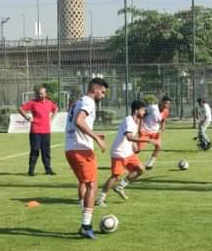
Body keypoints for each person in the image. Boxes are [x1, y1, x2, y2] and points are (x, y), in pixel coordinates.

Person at [64, 78, 108, 238]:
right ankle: (86, 225)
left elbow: (76, 122)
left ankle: (85, 220)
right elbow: (79, 121)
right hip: (82, 149)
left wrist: (94, 134)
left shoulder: (78, 101)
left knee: (84, 183)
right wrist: (96, 139)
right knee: (92, 185)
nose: (103, 96)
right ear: (95, 89)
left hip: (70, 148)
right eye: (102, 92)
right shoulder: (89, 102)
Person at [97, 100, 147, 207]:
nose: (144, 112)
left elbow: (131, 137)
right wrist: (147, 140)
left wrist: (134, 145)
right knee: (115, 176)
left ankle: (120, 186)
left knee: (141, 169)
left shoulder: (137, 121)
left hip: (128, 152)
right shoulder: (129, 120)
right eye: (143, 110)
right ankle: (100, 198)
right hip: (119, 152)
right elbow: (129, 137)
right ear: (136, 110)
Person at [20, 86, 59, 176]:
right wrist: (27, 118)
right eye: (38, 93)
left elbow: (56, 109)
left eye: (41, 93)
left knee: (46, 152)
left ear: (45, 94)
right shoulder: (32, 103)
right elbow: (20, 108)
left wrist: (51, 118)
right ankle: (31, 170)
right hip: (35, 131)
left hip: (46, 131)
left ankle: (48, 169)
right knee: (35, 150)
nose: (40, 95)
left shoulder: (49, 103)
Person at [140, 96, 171, 170]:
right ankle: (126, 159)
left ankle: (149, 165)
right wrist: (140, 127)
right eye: (165, 103)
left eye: (168, 104)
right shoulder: (153, 107)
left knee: (158, 147)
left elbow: (163, 120)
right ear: (161, 102)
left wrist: (162, 128)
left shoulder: (166, 111)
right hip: (145, 131)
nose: (166, 105)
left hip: (155, 132)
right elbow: (142, 115)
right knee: (137, 149)